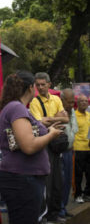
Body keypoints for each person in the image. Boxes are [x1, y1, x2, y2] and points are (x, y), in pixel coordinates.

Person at [0, 71, 62, 224]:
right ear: (30, 88)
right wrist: (51, 134)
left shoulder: (16, 108)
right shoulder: (17, 108)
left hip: (23, 178)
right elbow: (29, 146)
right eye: (35, 85)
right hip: (22, 179)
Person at [29, 72, 68, 224]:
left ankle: (55, 214)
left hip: (58, 145)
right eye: (37, 85)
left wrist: (49, 119)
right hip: (45, 144)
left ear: (49, 85)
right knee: (48, 182)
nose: (40, 87)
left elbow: (65, 119)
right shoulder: (34, 102)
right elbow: (39, 123)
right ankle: (45, 216)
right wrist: (56, 118)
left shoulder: (56, 99)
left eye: (42, 84)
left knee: (58, 180)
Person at [59, 89, 78, 218]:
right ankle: (59, 209)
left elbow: (74, 129)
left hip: (70, 151)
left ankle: (64, 207)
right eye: (69, 102)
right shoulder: (59, 112)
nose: (71, 104)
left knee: (67, 182)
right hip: (60, 153)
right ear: (62, 99)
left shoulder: (72, 113)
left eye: (73, 102)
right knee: (60, 182)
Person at [73, 94, 90, 203]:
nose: (84, 103)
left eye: (85, 101)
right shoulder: (73, 116)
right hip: (78, 149)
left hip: (89, 149)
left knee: (89, 174)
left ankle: (87, 193)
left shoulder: (89, 115)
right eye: (81, 101)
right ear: (77, 103)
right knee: (78, 175)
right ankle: (77, 194)